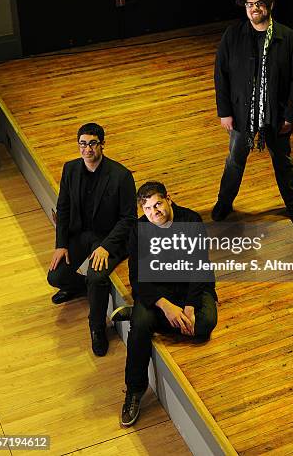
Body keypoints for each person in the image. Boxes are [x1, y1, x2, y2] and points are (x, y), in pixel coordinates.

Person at [113, 181, 217, 427]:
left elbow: (199, 266)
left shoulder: (191, 221)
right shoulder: (139, 229)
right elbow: (136, 277)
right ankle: (134, 391)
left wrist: (190, 306)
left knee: (204, 325)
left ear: (169, 199)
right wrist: (165, 306)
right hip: (157, 291)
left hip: (189, 286)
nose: (153, 212)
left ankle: (138, 314)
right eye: (147, 209)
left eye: (157, 204)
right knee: (140, 327)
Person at [212, 0, 293, 225]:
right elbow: (220, 74)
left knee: (284, 162)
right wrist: (225, 112)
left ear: (271, 4)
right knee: (234, 161)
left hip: (275, 115)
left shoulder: (290, 38)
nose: (254, 8)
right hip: (241, 114)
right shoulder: (233, 36)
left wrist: (289, 116)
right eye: (249, 4)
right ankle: (224, 203)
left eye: (260, 3)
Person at [47, 123, 137, 356]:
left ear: (102, 145)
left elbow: (128, 219)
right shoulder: (70, 169)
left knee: (97, 278)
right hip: (81, 234)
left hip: (107, 238)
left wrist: (106, 247)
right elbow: (63, 208)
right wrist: (61, 244)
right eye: (82, 144)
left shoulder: (121, 176)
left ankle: (97, 327)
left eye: (92, 143)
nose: (87, 149)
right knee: (55, 276)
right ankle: (80, 288)